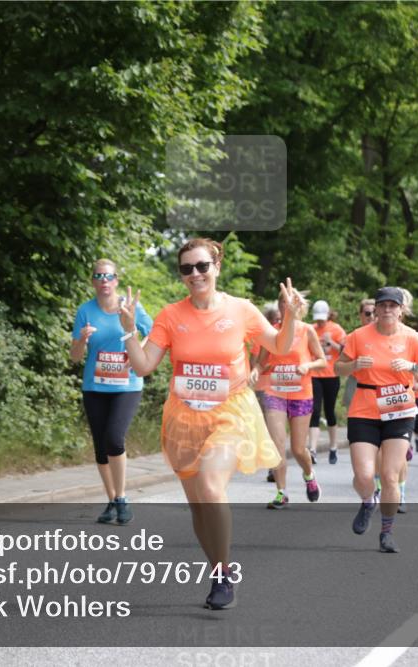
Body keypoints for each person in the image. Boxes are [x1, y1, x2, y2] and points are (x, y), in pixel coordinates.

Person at [119, 237, 302, 610]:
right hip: (184, 417)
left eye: (202, 266)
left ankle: (223, 576)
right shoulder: (171, 315)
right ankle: (219, 568)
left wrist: (292, 318)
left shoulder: (241, 309)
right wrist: (128, 331)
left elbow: (280, 346)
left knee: (210, 485)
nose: (195, 274)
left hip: (230, 411)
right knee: (199, 506)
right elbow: (143, 365)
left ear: (216, 267)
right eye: (187, 268)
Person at [335, 287, 418, 553]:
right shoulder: (358, 336)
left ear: (401, 310)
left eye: (393, 305)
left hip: (399, 410)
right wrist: (354, 365)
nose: (388, 309)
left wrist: (412, 367)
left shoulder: (412, 338)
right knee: (364, 475)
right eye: (383, 305)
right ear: (377, 309)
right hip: (365, 410)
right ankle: (368, 501)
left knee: (391, 476)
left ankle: (387, 532)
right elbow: (338, 367)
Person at [71, 259, 153, 525]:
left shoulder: (130, 306)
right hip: (95, 386)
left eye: (108, 276)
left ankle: (122, 498)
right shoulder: (85, 311)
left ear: (116, 280)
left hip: (127, 385)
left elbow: (154, 335)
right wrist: (82, 340)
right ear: (93, 281)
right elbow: (74, 357)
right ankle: (112, 500)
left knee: (114, 438)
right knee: (100, 447)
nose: (103, 281)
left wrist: (138, 351)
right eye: (98, 276)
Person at [256, 293, 326, 508]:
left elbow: (322, 361)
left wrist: (308, 366)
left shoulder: (307, 330)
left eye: (289, 303)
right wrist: (255, 371)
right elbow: (260, 363)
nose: (285, 307)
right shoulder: (271, 331)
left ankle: (309, 475)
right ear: (278, 306)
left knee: (298, 449)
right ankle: (282, 492)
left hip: (300, 393)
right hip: (275, 393)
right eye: (282, 303)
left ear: (298, 306)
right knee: (277, 445)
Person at [309, 300, 347, 464]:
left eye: (322, 319)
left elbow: (346, 352)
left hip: (331, 375)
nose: (319, 322)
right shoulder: (311, 329)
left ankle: (333, 446)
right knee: (315, 410)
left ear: (328, 315)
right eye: (317, 319)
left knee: (329, 411)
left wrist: (331, 342)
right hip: (314, 374)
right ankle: (312, 450)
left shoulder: (336, 329)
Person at [250, 304, 281, 484]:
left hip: (279, 387)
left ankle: (273, 466)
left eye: (279, 319)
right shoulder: (260, 338)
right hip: (263, 386)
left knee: (274, 428)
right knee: (268, 428)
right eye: (276, 319)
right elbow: (254, 362)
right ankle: (271, 465)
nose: (278, 322)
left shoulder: (282, 337)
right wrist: (272, 365)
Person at [341, 299, 377, 410]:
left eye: (374, 312)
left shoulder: (388, 335)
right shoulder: (351, 337)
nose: (371, 316)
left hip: (381, 383)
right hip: (357, 383)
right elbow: (340, 367)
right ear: (360, 315)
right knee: (355, 417)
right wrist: (355, 364)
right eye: (367, 313)